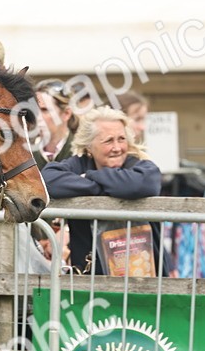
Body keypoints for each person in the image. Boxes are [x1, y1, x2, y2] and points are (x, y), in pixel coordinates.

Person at [42, 106, 162, 275]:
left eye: (121, 139)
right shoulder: (78, 164)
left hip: (143, 278)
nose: (117, 147)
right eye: (108, 141)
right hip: (90, 280)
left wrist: (89, 177)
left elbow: (144, 183)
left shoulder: (138, 165)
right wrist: (105, 185)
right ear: (89, 146)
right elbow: (48, 179)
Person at [32, 78, 78, 168]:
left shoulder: (82, 154)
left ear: (66, 113)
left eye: (44, 110)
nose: (37, 117)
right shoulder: (26, 155)